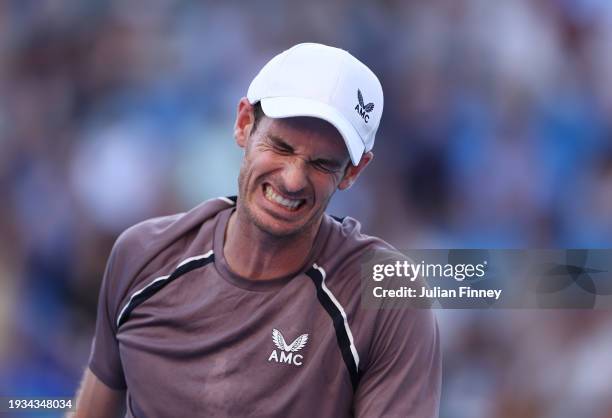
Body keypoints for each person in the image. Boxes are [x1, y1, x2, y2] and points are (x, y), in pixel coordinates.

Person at [73, 43, 441, 418]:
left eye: (322, 163)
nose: (293, 180)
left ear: (353, 171)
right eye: (280, 147)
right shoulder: (142, 256)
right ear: (243, 123)